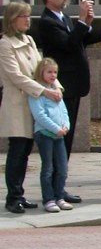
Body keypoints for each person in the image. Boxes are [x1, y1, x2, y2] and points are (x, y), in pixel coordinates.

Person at [35, 0, 101, 204]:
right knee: (60, 137)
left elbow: (81, 40)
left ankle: (60, 186)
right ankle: (53, 190)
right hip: (64, 85)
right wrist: (81, 21)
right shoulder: (47, 22)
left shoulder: (64, 18)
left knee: (67, 137)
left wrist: (87, 23)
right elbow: (69, 45)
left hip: (74, 84)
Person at [1, 2, 60, 214]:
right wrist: (44, 91)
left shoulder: (29, 40)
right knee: (17, 150)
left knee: (25, 152)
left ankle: (20, 193)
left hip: (33, 103)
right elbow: (16, 76)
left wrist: (56, 86)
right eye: (23, 16)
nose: (28, 20)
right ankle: (13, 196)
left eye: (28, 16)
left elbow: (41, 68)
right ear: (12, 19)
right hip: (17, 104)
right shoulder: (5, 44)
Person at [27, 58, 73, 213]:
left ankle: (60, 196)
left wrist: (66, 125)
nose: (53, 75)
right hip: (45, 134)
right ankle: (48, 199)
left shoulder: (56, 89)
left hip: (59, 135)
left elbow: (63, 111)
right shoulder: (38, 91)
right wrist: (55, 128)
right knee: (48, 168)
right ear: (41, 72)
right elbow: (39, 115)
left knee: (62, 168)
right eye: (49, 72)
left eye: (55, 72)